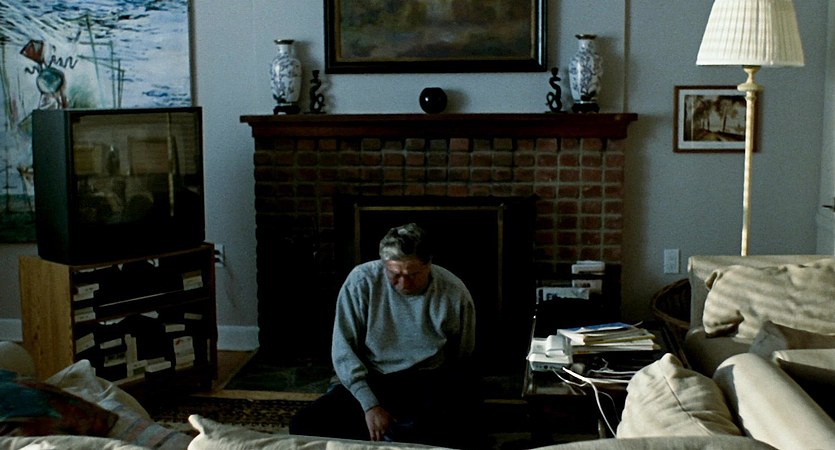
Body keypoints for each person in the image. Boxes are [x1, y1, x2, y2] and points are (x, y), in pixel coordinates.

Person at [290, 223, 480, 448]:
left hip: (428, 379)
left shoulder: (454, 291)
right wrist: (370, 405)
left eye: (412, 275)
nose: (404, 283)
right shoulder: (361, 281)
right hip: (375, 377)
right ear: (383, 265)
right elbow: (344, 352)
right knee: (304, 424)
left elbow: (463, 355)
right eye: (394, 274)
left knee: (463, 430)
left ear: (428, 264)